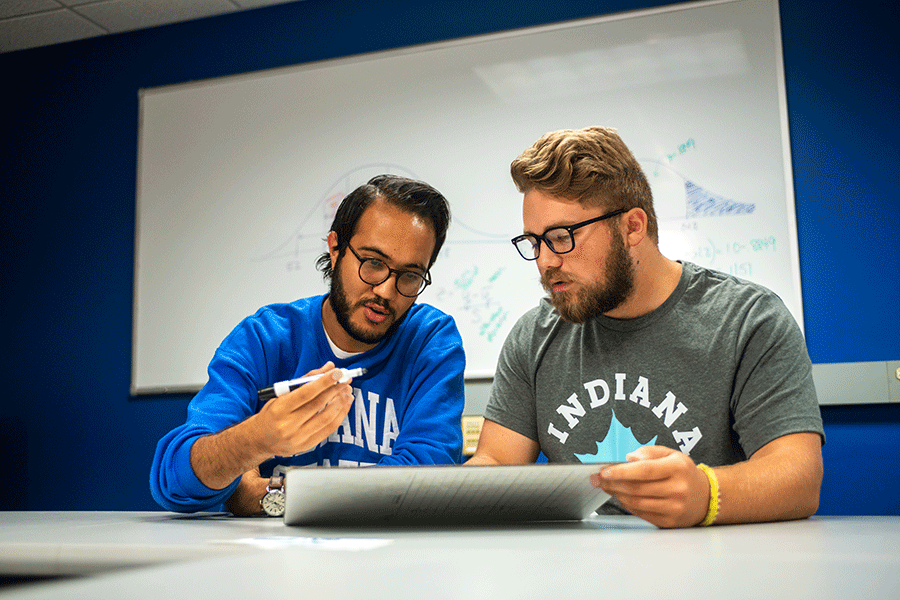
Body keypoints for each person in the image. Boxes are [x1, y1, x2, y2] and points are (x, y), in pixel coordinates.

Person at [467, 126, 824, 529]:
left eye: (561, 237)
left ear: (633, 227)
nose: (545, 262)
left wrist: (706, 494)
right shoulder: (534, 335)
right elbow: (496, 461)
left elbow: (798, 476)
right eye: (534, 242)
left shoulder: (748, 320)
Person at [151, 175, 466, 515]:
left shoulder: (430, 341)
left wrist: (270, 497)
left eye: (410, 276)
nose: (386, 291)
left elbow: (427, 477)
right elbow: (176, 481)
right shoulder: (265, 338)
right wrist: (256, 439)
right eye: (373, 263)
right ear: (335, 249)